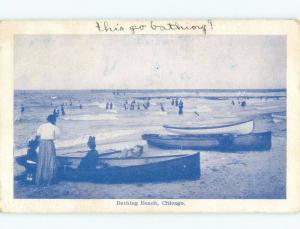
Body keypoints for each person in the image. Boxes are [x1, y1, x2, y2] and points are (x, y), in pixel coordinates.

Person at [35, 114, 60, 186]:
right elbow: (56, 136)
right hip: (49, 143)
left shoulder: (42, 126)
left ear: (47, 119)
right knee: (50, 161)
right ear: (53, 120)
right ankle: (48, 181)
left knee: (41, 160)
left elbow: (37, 135)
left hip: (42, 144)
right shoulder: (54, 127)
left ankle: (39, 180)